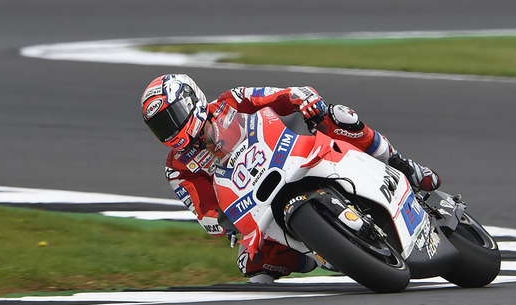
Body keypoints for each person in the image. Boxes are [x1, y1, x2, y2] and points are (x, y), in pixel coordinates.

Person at [141, 73, 440, 284]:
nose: (171, 128)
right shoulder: (177, 167)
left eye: (173, 115)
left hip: (290, 154)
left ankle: (401, 163)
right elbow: (202, 209)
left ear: (193, 99)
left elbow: (277, 96)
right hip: (257, 202)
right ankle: (319, 253)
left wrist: (300, 98)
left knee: (338, 116)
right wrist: (219, 221)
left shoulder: (231, 101)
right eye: (161, 126)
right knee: (252, 264)